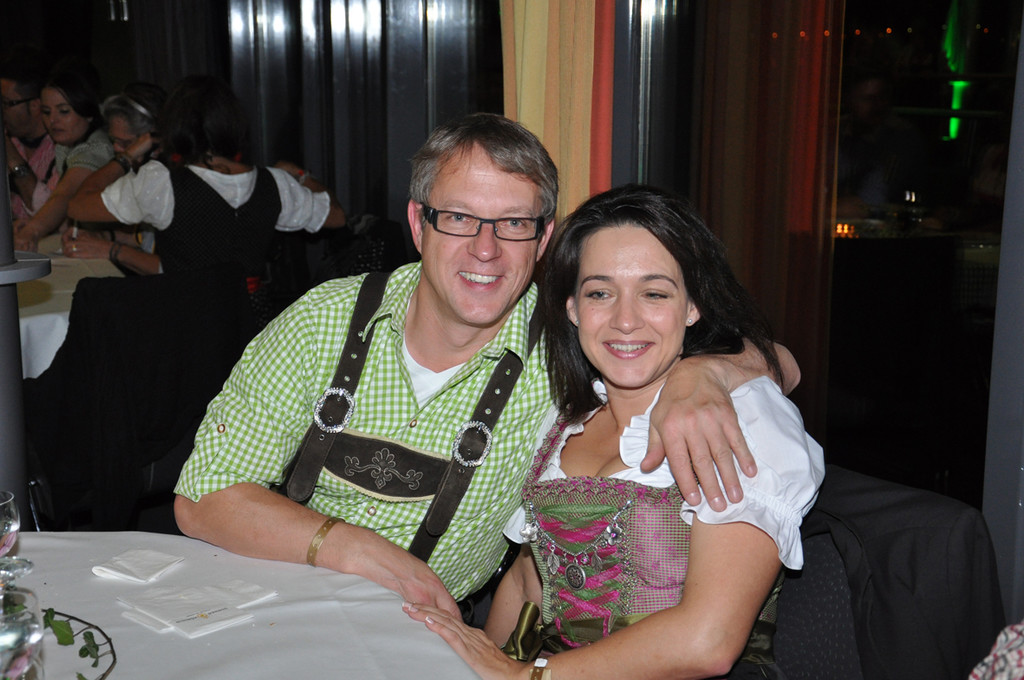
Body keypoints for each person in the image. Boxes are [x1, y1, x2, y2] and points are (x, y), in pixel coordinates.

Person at [173, 113, 798, 624]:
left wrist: (702, 375)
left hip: (424, 634)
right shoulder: (324, 322)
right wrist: (354, 549)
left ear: (543, 239)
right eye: (460, 218)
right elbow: (202, 497)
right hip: (276, 598)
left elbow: (780, 364)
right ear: (419, 224)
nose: (485, 249)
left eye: (513, 224)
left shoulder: (570, 338)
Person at [402, 184, 824, 679]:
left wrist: (525, 676)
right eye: (600, 293)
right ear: (572, 308)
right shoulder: (563, 418)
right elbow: (527, 581)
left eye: (654, 293)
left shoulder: (741, 418)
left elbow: (708, 642)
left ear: (692, 306)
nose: (625, 320)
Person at [66, 75, 347, 319]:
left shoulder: (161, 183)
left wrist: (127, 156)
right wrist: (300, 175)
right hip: (251, 321)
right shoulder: (275, 183)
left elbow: (79, 205)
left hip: (186, 320)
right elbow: (336, 216)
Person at [60, 81, 167, 274]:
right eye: (114, 141)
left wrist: (112, 250)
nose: (117, 149)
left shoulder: (160, 178)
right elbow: (149, 239)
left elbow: (78, 206)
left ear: (155, 143)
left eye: (127, 143)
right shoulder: (145, 170)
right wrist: (105, 237)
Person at [12, 57, 112, 251]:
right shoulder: (66, 143)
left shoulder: (98, 147)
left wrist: (33, 230)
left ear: (88, 112)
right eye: (46, 112)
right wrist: (33, 224)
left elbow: (65, 195)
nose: (52, 120)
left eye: (63, 111)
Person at [1, 45, 55, 221]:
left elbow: (49, 214)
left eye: (7, 103)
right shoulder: (14, 138)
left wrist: (8, 151)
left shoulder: (62, 146)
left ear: (35, 105)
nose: (2, 110)